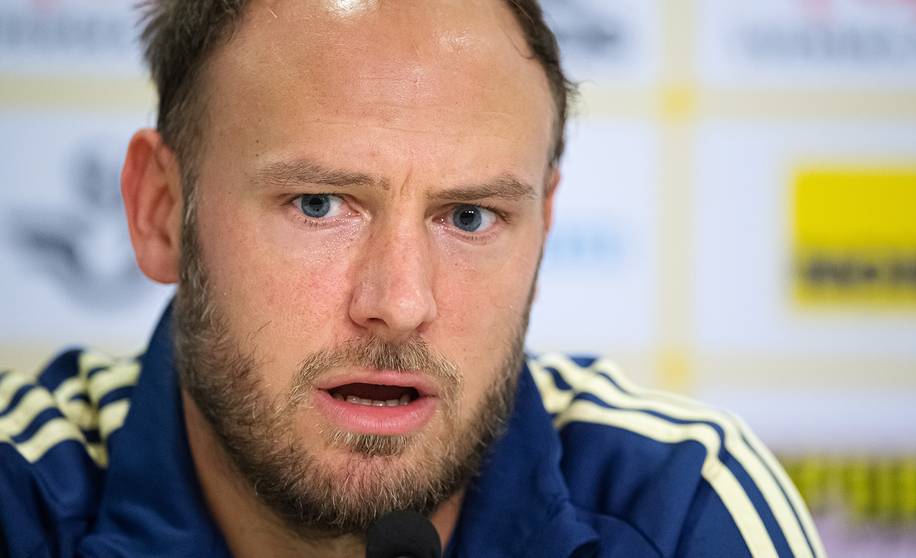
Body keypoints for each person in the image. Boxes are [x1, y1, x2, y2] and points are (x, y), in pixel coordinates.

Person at [0, 1, 825, 556]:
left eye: (468, 216)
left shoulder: (683, 511)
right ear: (159, 211)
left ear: (543, 228)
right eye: (320, 204)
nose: (399, 303)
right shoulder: (18, 494)